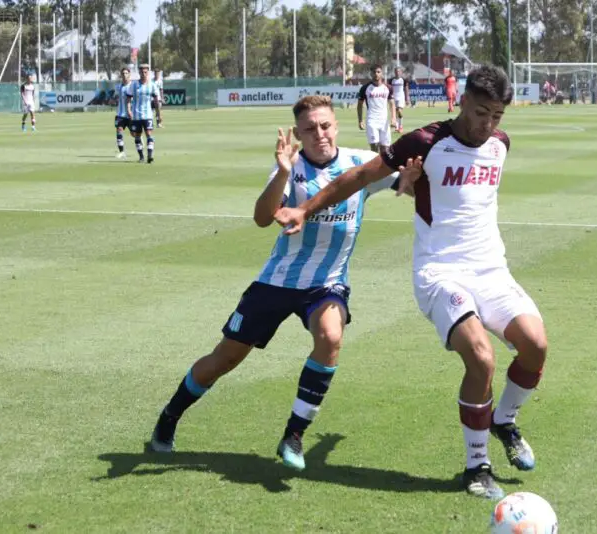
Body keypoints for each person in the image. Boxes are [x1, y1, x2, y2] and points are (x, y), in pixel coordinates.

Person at [274, 65, 548, 501]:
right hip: (439, 271)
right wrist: (305, 210)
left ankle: (504, 420)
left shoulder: (500, 145)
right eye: (481, 113)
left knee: (535, 346)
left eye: (497, 115)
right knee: (481, 358)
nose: (488, 124)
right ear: (461, 102)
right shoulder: (425, 141)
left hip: (491, 269)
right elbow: (360, 177)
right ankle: (476, 466)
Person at [149, 95, 415, 471]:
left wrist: (410, 181)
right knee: (224, 359)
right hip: (275, 283)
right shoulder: (290, 167)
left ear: (336, 126)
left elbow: (407, 188)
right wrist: (283, 172)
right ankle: (170, 415)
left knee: (331, 337)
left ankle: (294, 434)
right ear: (298, 134)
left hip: (327, 283)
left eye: (325, 126)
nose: (319, 134)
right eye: (309, 129)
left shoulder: (360, 164)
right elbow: (262, 217)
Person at [125, 63, 160, 164]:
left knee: (149, 134)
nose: (144, 74)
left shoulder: (152, 84)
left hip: (148, 115)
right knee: (137, 136)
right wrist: (128, 110)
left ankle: (150, 156)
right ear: (139, 73)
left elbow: (156, 100)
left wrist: (158, 114)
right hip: (136, 116)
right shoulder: (134, 85)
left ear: (148, 73)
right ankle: (141, 157)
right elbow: (128, 98)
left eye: (145, 72)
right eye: (142, 72)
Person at [357, 64, 396, 154]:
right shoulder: (365, 88)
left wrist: (393, 118)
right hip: (372, 120)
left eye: (378, 72)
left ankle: (384, 167)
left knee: (386, 149)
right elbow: (360, 104)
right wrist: (360, 120)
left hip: (384, 121)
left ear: (381, 73)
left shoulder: (388, 88)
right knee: (374, 147)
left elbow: (392, 104)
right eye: (374, 72)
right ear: (371, 74)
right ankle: (374, 167)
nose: (376, 74)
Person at [113, 67, 133, 159]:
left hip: (130, 114)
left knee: (134, 134)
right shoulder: (118, 87)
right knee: (119, 131)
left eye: (126, 73)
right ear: (121, 75)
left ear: (129, 74)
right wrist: (113, 100)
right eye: (123, 73)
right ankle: (122, 152)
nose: (125, 75)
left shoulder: (133, 86)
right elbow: (115, 98)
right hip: (120, 114)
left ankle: (139, 137)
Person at [390, 67, 411, 133]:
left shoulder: (403, 80)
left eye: (399, 71)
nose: (397, 72)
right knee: (395, 113)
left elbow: (406, 89)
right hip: (393, 98)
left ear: (401, 72)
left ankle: (400, 126)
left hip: (401, 98)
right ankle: (397, 127)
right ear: (394, 72)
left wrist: (407, 99)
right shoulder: (391, 80)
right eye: (396, 71)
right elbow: (389, 89)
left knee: (399, 111)